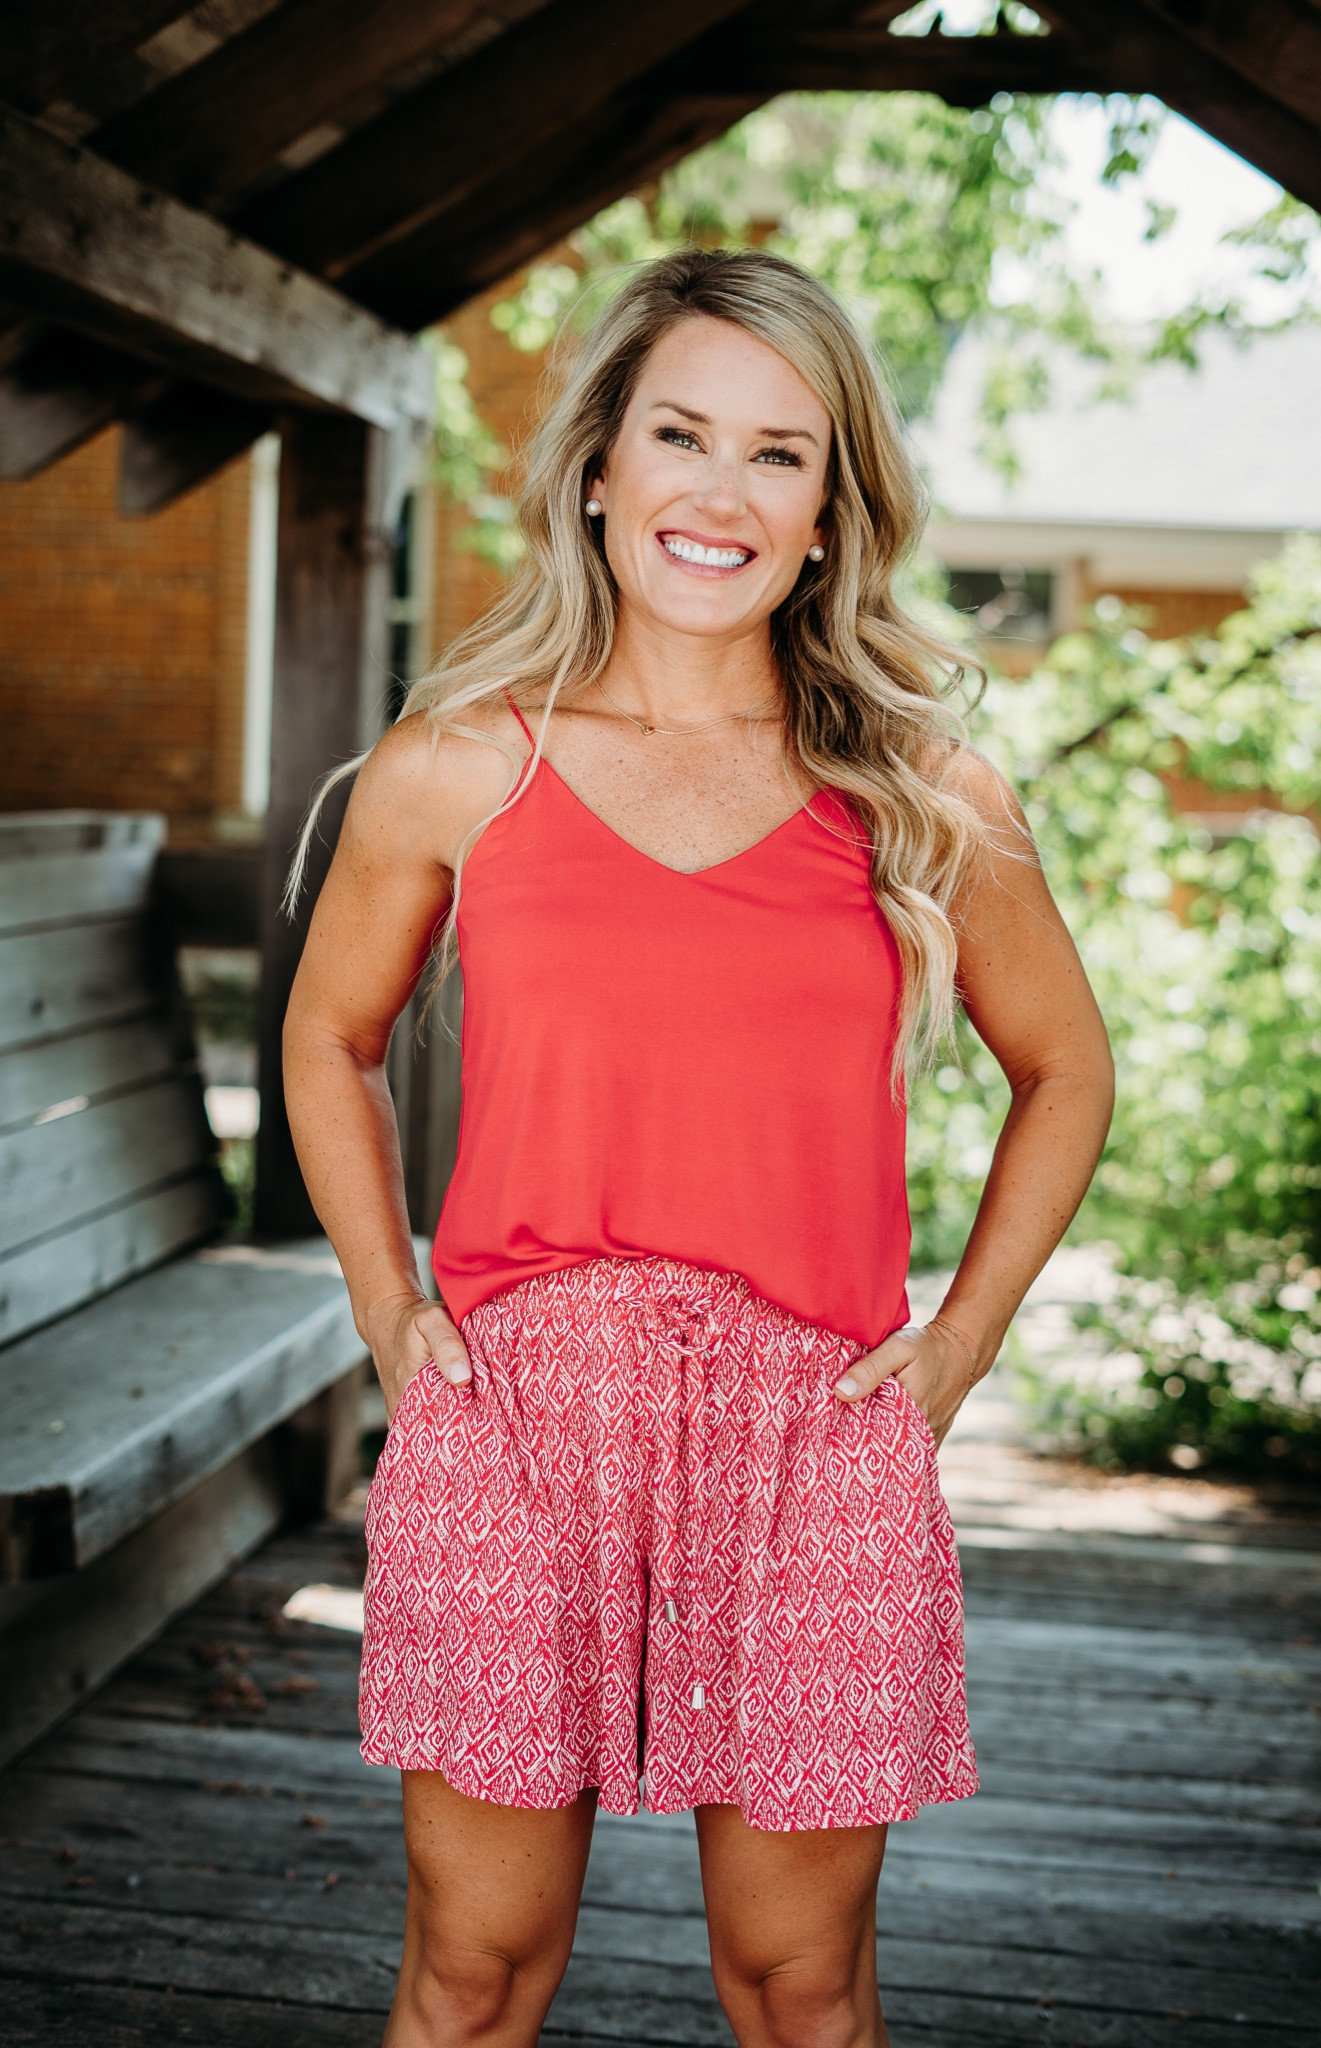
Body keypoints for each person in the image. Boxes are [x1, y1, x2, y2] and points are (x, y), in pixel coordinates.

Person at [283, 247, 1114, 2048]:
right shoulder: (458, 766)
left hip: (814, 1428)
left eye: (777, 454)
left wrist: (956, 1349)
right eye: (680, 434)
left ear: (828, 511)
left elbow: (1064, 1070)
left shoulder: (919, 790)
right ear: (600, 467)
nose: (717, 493)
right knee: (474, 1969)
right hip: (520, 1415)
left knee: (798, 1982)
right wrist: (387, 1309)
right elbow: (330, 1037)